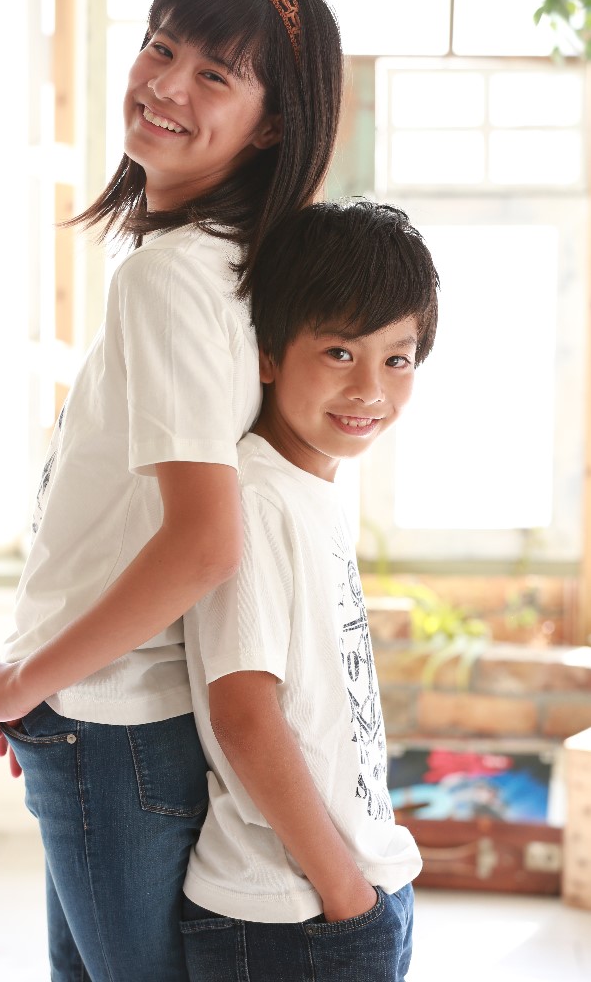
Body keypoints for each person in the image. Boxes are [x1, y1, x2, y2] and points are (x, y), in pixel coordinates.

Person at [0, 0, 343, 980]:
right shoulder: (215, 264)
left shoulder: (169, 279)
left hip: (110, 721)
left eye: (214, 74)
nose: (165, 85)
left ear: (271, 127)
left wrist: (29, 681)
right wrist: (41, 683)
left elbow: (204, 542)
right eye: (161, 48)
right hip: (106, 717)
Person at [180, 199, 439, 982]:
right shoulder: (257, 497)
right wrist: (343, 894)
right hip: (292, 912)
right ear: (267, 353)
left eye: (396, 360)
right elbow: (243, 713)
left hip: (345, 890)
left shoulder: (309, 487)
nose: (369, 389)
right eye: (338, 352)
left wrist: (360, 890)